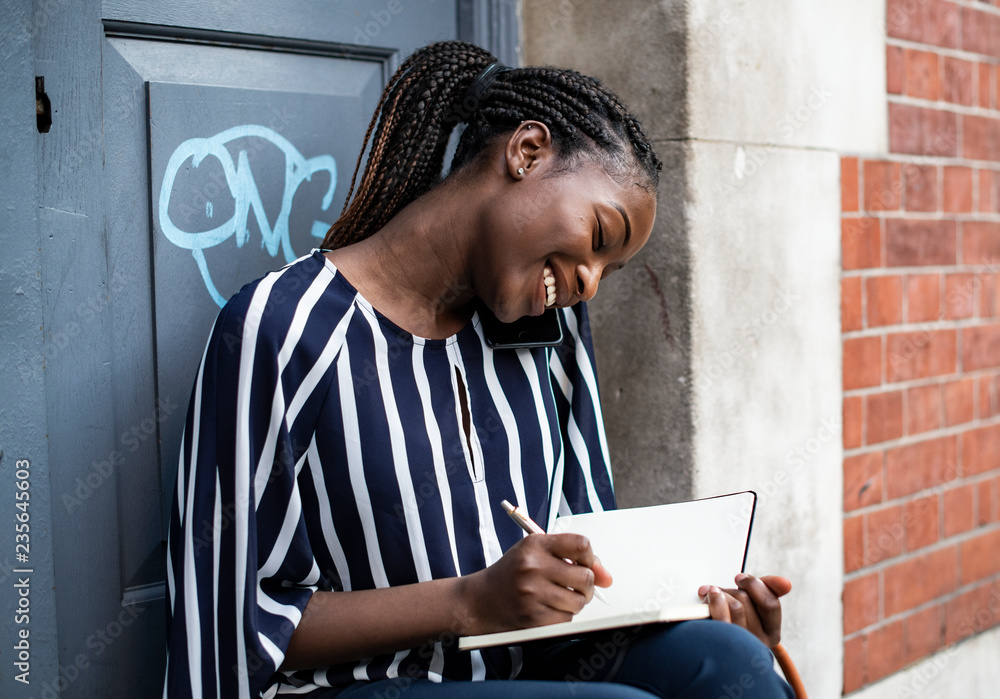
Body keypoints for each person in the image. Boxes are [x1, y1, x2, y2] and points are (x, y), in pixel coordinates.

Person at [163, 40, 795, 698]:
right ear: (526, 152)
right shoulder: (283, 327)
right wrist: (471, 599)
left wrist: (695, 604)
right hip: (358, 687)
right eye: (598, 239)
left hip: (528, 673)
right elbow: (232, 622)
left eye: (610, 269)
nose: (590, 283)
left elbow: (591, 568)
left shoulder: (550, 336)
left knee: (732, 662)